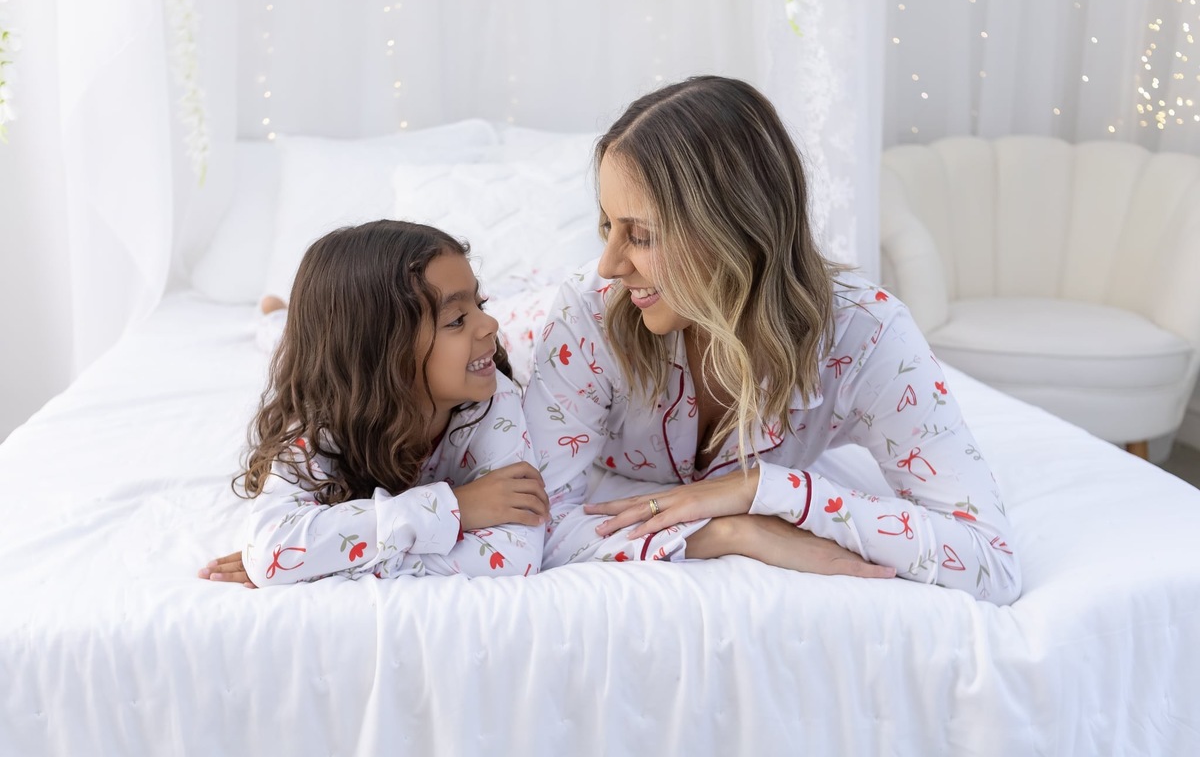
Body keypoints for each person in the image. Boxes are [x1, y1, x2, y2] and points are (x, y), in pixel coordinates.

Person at [521, 75, 1021, 603]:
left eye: (641, 236)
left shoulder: (867, 336)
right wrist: (732, 530)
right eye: (607, 227)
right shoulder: (587, 308)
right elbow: (532, 530)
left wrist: (768, 490)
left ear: (731, 229)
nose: (611, 262)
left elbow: (990, 562)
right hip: (523, 326)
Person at [200, 219, 547, 586]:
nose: (489, 323)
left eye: (480, 303)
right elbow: (272, 550)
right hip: (335, 357)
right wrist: (455, 507)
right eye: (457, 319)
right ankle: (274, 317)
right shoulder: (323, 421)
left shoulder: (494, 399)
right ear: (383, 356)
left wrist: (329, 560)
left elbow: (516, 556)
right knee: (290, 342)